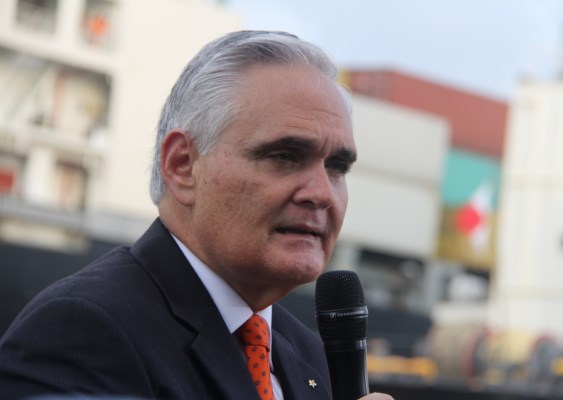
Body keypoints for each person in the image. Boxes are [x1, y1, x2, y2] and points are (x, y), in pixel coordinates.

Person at [0, 31, 392, 400]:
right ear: (183, 166)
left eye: (337, 166)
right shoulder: (82, 329)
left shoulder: (308, 353)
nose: (322, 194)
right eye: (285, 156)